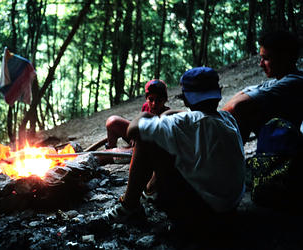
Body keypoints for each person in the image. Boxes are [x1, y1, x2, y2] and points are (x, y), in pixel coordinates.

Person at [104, 67, 246, 226]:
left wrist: (147, 116)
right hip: (231, 206)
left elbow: (133, 130)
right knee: (165, 139)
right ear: (218, 93)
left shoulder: (184, 122)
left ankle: (129, 206)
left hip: (205, 213)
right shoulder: (228, 118)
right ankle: (148, 193)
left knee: (147, 138)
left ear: (185, 99)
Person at [222, 30, 303, 142]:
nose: (260, 64)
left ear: (284, 58)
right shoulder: (276, 82)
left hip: (293, 150)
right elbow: (243, 92)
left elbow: (236, 105)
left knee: (248, 110)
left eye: (266, 58)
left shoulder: (293, 82)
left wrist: (216, 123)